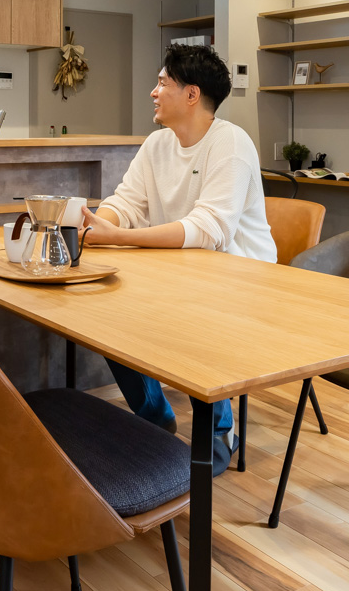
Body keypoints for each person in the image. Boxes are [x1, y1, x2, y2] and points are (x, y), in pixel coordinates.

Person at [81, 43, 273, 474]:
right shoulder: (157, 144)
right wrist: (98, 225)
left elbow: (209, 230)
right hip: (181, 272)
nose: (153, 92)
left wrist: (119, 237)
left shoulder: (231, 144)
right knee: (100, 310)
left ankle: (220, 431)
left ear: (191, 94)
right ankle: (153, 416)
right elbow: (126, 202)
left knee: (198, 315)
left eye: (162, 83)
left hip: (243, 279)